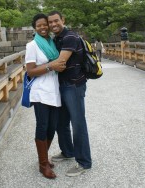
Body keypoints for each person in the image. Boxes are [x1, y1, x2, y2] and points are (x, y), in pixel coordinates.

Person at [47, 10, 92, 177]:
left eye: (56, 21)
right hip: (61, 86)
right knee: (61, 122)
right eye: (50, 22)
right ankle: (68, 151)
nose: (53, 25)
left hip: (74, 86)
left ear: (62, 20)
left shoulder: (70, 37)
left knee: (78, 124)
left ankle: (84, 162)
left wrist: (37, 68)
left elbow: (61, 62)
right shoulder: (56, 39)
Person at [25, 13, 66, 179]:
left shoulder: (52, 43)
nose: (42, 28)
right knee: (42, 126)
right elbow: (30, 71)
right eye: (39, 25)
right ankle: (43, 164)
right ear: (35, 28)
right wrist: (51, 66)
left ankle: (44, 158)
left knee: (52, 127)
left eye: (45, 25)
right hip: (40, 92)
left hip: (54, 91)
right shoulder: (32, 45)